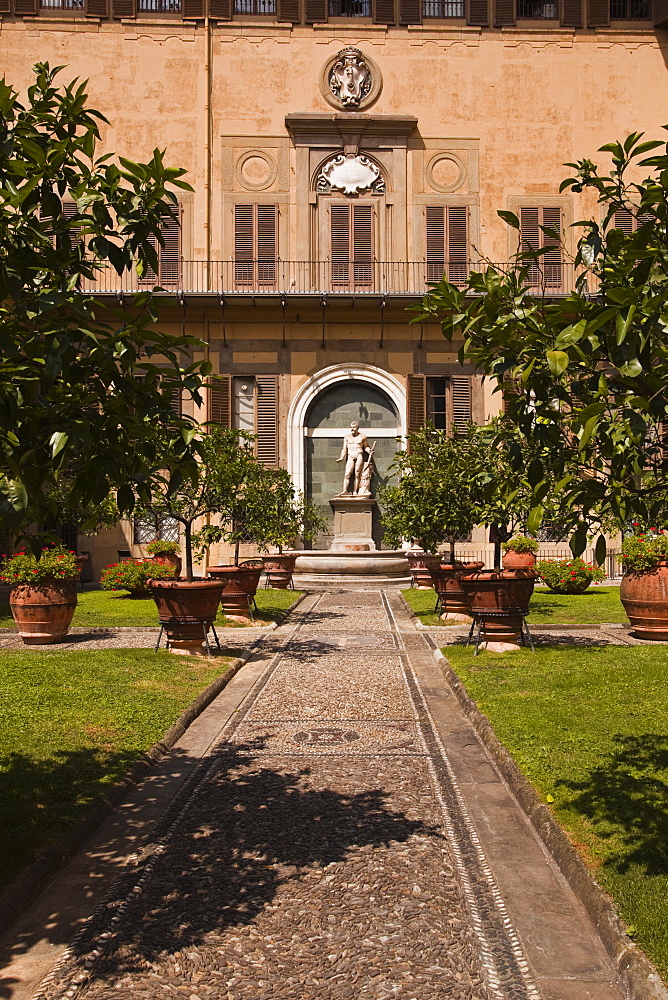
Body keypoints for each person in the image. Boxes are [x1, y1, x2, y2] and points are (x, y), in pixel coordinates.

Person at [336, 420, 370, 495]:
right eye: (351, 427)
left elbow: (366, 447)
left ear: (357, 428)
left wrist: (369, 451)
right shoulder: (347, 437)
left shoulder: (363, 437)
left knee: (357, 474)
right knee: (347, 474)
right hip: (350, 455)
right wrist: (341, 457)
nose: (352, 429)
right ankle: (344, 490)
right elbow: (344, 449)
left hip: (359, 454)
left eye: (354, 427)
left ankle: (355, 491)